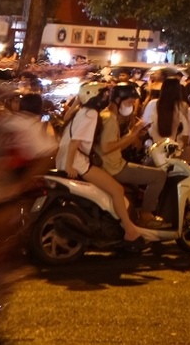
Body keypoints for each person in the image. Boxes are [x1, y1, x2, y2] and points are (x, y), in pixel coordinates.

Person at [58, 81, 147, 243]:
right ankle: (130, 230)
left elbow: (66, 118)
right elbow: (75, 142)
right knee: (117, 190)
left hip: (67, 158)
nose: (106, 98)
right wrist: (70, 165)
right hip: (78, 162)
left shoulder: (81, 111)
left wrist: (77, 101)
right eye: (103, 95)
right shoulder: (91, 114)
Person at [101, 83, 169, 222]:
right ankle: (146, 214)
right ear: (118, 100)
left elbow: (116, 146)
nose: (131, 106)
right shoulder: (109, 119)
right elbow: (106, 148)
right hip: (114, 167)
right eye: (129, 103)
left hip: (113, 163)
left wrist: (134, 135)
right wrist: (133, 133)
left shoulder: (108, 116)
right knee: (159, 176)